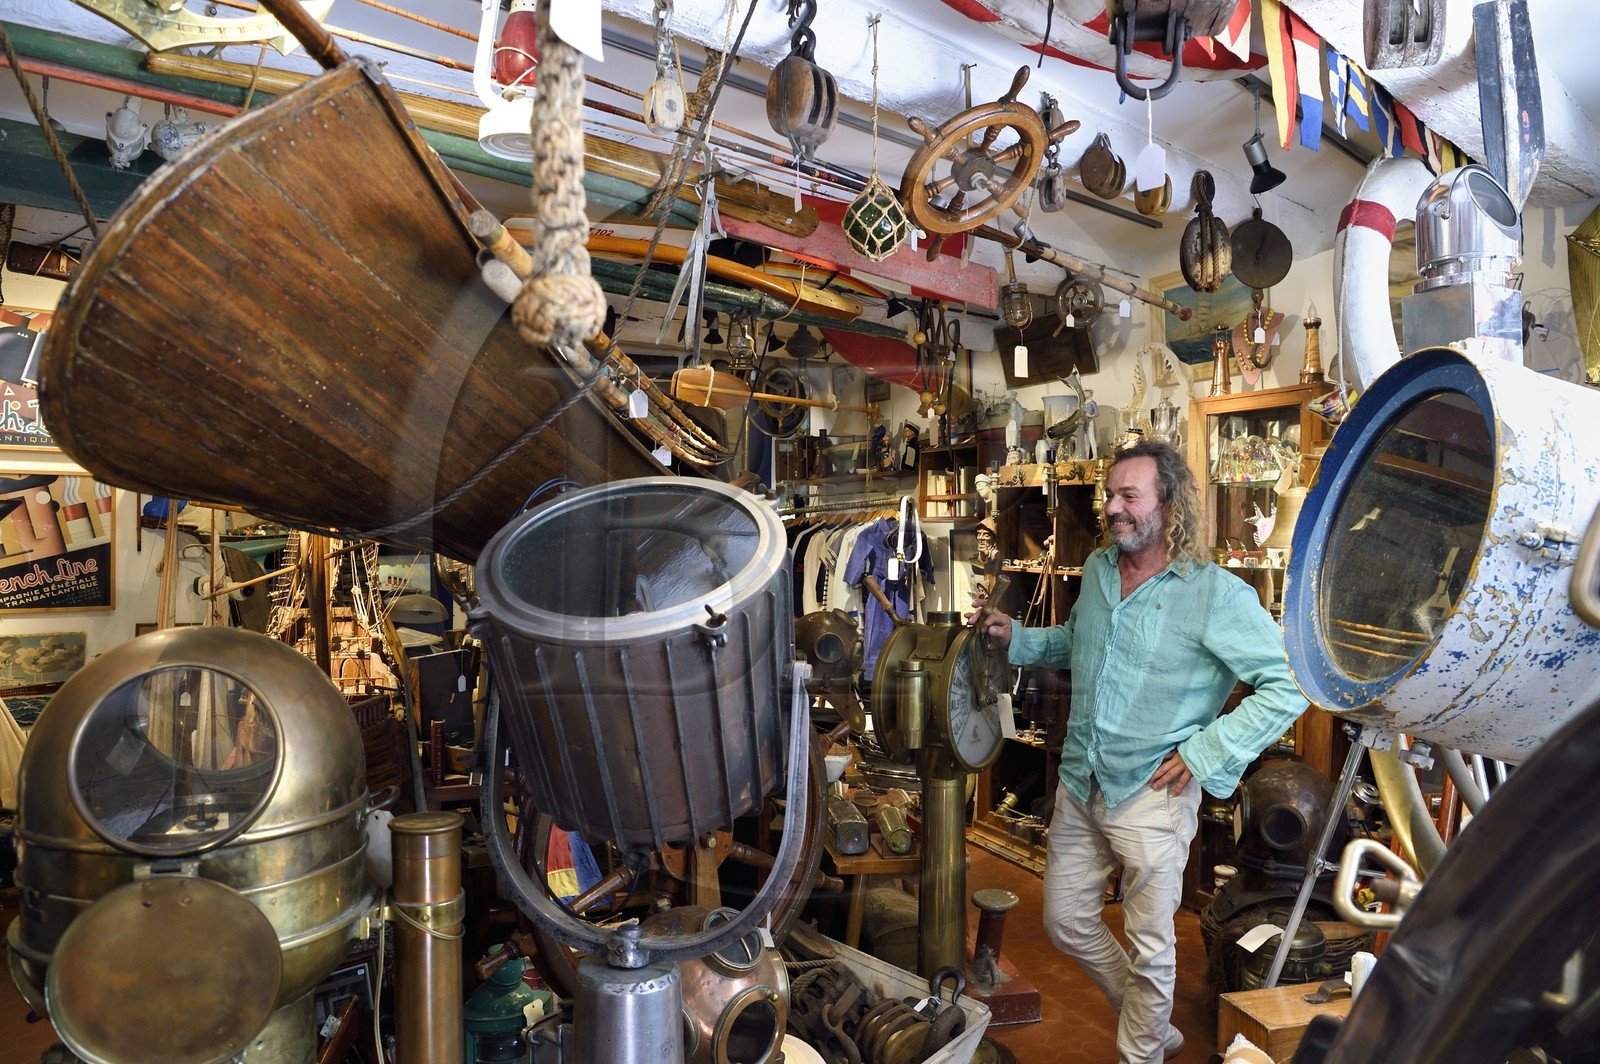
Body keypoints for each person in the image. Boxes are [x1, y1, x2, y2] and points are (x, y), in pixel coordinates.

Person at [974, 439, 1307, 1064]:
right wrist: (1018, 636)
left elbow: (1287, 684)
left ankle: (1142, 1051)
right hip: (1082, 778)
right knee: (1065, 921)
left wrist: (1206, 752)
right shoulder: (1100, 569)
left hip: (1155, 793)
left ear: (1169, 506)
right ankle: (1149, 1023)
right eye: (1109, 495)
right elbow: (1078, 640)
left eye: (1129, 496)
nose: (1112, 508)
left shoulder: (1216, 595)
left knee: (1152, 946)